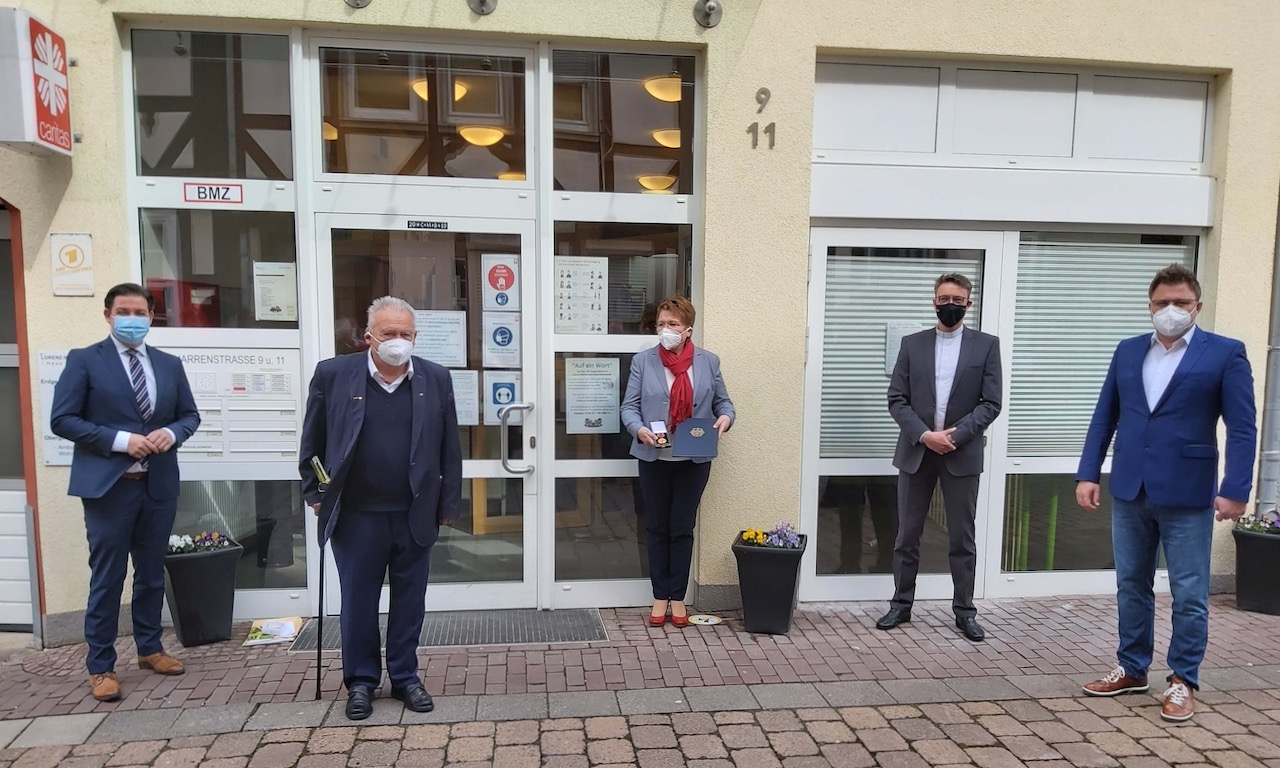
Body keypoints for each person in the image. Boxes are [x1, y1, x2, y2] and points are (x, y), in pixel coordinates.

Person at [1075, 264, 1256, 722]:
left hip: (1189, 491)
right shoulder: (1128, 350)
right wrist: (1088, 472)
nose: (1171, 310)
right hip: (1131, 486)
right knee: (1130, 584)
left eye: (1180, 302)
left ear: (1198, 305)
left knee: (1190, 592)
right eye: (1162, 303)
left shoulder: (1226, 353)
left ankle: (1182, 679)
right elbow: (1105, 415)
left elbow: (1242, 427)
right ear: (1149, 306)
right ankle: (1132, 668)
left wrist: (1236, 488)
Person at [300, 296, 462, 720]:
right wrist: (315, 493)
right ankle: (361, 682)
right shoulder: (334, 375)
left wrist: (448, 502)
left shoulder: (435, 378)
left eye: (406, 333)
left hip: (414, 512)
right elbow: (313, 440)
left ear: (416, 336)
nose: (398, 340)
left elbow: (449, 447)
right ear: (369, 335)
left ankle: (405, 677)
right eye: (389, 333)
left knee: (410, 601)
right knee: (358, 602)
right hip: (357, 515)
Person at [50, 282, 201, 702]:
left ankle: (150, 648)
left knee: (151, 574)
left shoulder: (168, 364)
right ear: (108, 315)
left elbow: (190, 415)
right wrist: (120, 441)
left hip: (157, 486)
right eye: (123, 312)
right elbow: (62, 419)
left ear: (151, 317)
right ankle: (101, 666)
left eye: (139, 313)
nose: (132, 319)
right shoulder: (84, 360)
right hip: (109, 489)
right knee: (108, 577)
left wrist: (173, 432)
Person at [879, 273, 1002, 642]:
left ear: (969, 304)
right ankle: (901, 604)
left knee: (962, 538)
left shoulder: (986, 346)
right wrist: (925, 435)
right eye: (945, 298)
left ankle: (965, 611)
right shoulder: (912, 344)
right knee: (907, 535)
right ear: (934, 301)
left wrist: (955, 436)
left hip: (961, 454)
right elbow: (896, 399)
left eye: (958, 300)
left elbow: (991, 403)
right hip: (917, 451)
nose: (951, 305)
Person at [621, 296, 734, 627]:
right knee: (657, 526)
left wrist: (725, 420)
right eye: (661, 324)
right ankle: (660, 596)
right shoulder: (643, 362)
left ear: (688, 329)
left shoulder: (708, 362)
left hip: (693, 458)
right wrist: (638, 429)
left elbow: (724, 404)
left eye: (672, 324)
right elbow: (629, 407)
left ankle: (678, 597)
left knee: (682, 528)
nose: (665, 330)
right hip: (654, 457)